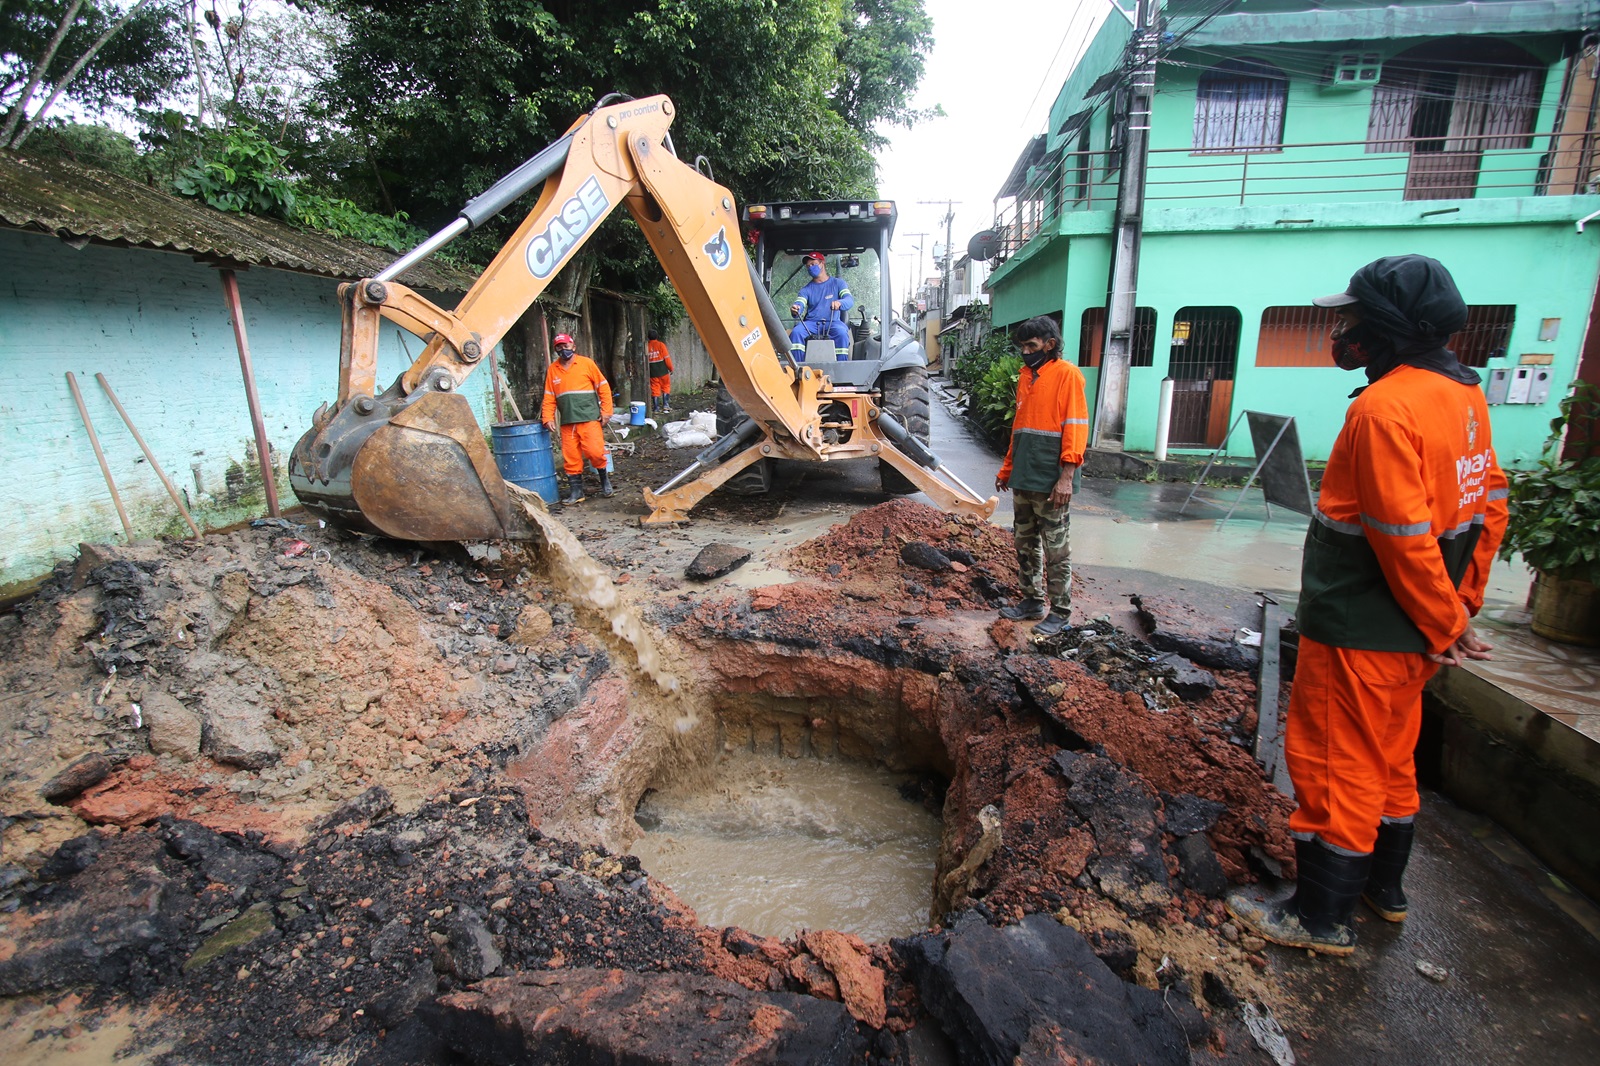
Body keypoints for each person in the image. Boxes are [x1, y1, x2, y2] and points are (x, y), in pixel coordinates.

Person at [1227, 255, 1508, 957]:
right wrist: (1456, 612)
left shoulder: (1385, 410)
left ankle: (1319, 917)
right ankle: (1386, 892)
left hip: (1362, 625)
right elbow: (1489, 507)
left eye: (1352, 320)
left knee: (1334, 762)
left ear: (1386, 326)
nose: (1342, 333)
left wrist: (1447, 619)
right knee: (1391, 755)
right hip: (1415, 630)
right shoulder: (1464, 397)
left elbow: (1401, 536)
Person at [994, 316, 1088, 638]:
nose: (1025, 352)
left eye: (1031, 346)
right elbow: (1020, 428)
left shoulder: (1067, 375)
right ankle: (1032, 601)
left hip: (1051, 480)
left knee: (1056, 550)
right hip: (1024, 475)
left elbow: (1075, 427)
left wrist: (1066, 477)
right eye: (1022, 346)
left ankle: (1060, 612)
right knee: (1025, 543)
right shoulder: (1026, 377)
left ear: (1049, 345)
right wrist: (1008, 469)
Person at [541, 333, 615, 504]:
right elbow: (549, 396)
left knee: (595, 452)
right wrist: (548, 417)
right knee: (571, 458)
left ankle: (605, 481)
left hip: (589, 418)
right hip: (568, 422)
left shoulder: (586, 364)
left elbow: (603, 388)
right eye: (559, 347)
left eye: (565, 346)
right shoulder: (553, 370)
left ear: (573, 347)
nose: (563, 349)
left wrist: (606, 412)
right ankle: (577, 492)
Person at [788, 252, 854, 362]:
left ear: (822, 263)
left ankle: (842, 369)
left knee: (842, 333)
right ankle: (798, 370)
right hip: (812, 323)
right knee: (796, 332)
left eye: (813, 264)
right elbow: (800, 303)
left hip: (833, 322)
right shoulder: (806, 290)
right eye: (808, 266)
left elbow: (849, 300)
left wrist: (840, 303)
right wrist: (796, 309)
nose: (810, 268)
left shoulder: (838, 283)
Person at [646, 330, 673, 414]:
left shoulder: (646, 346)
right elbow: (667, 358)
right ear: (657, 336)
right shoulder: (661, 345)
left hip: (652, 372)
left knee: (654, 388)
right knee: (666, 386)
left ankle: (656, 408)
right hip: (663, 370)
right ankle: (665, 405)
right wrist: (671, 368)